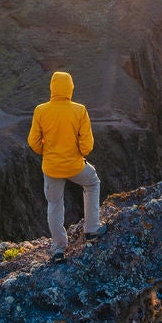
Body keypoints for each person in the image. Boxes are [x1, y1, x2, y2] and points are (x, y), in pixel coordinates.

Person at [27, 70, 98, 257]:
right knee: (92, 183)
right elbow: (87, 145)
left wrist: (48, 152)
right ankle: (91, 230)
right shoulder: (79, 110)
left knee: (54, 204)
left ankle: (59, 248)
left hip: (51, 168)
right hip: (75, 166)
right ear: (70, 88)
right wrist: (77, 153)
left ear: (52, 88)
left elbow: (33, 142)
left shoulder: (41, 110)